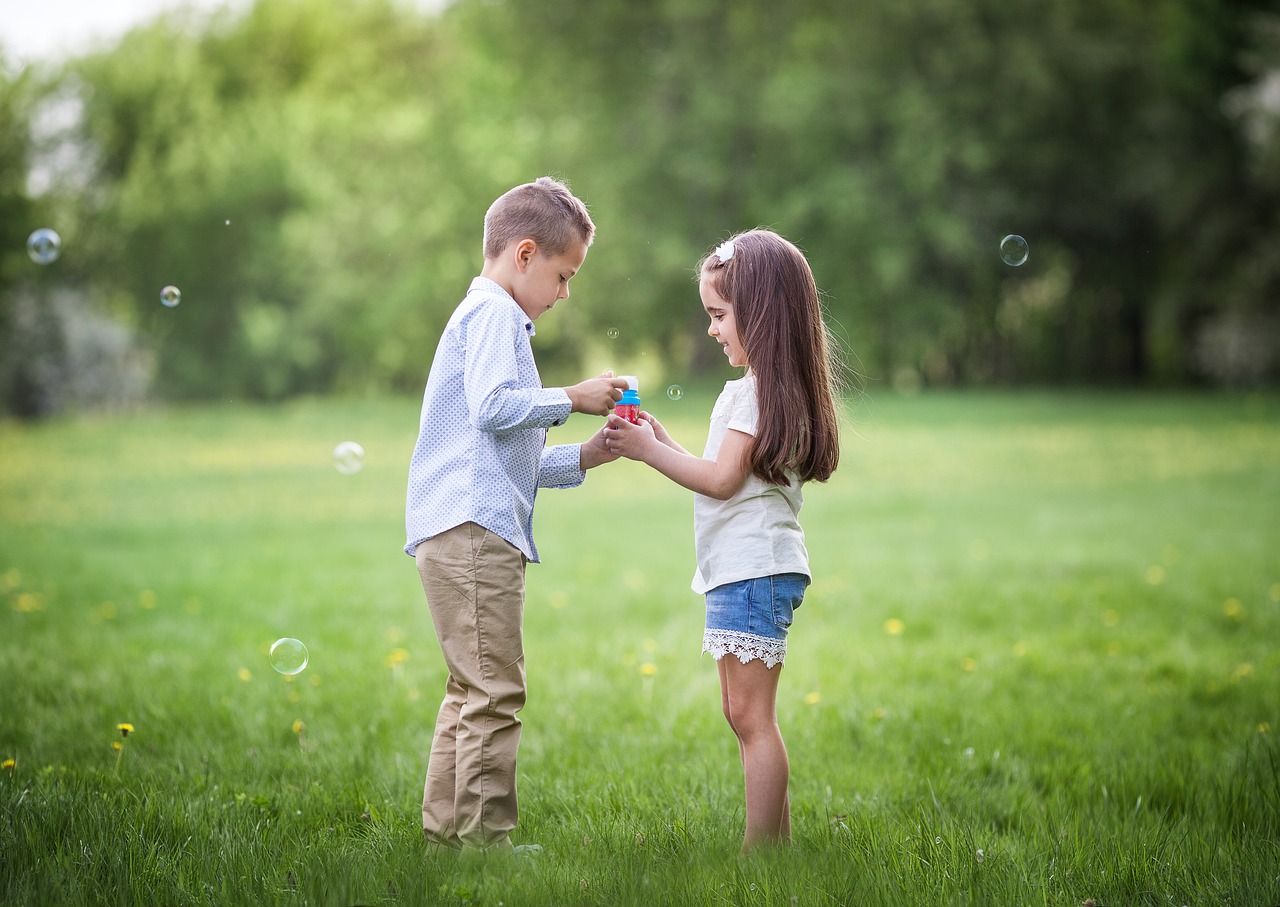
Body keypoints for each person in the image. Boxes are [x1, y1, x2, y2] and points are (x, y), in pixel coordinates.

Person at [405, 176, 628, 853]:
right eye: (564, 276)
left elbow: (507, 455)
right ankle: (485, 842)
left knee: (469, 687)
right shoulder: (495, 315)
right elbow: (494, 408)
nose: (566, 293)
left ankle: (448, 833)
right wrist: (575, 396)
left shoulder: (487, 317)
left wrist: (587, 454)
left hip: (459, 524)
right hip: (474, 534)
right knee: (497, 690)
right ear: (524, 254)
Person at [603, 229, 841, 851]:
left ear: (758, 313)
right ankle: (776, 849)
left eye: (719, 314)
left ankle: (760, 855)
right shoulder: (771, 389)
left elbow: (719, 480)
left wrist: (649, 452)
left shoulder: (753, 391)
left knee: (751, 720)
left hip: (753, 569)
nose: (712, 329)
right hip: (750, 567)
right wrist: (664, 443)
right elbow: (724, 480)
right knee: (747, 718)